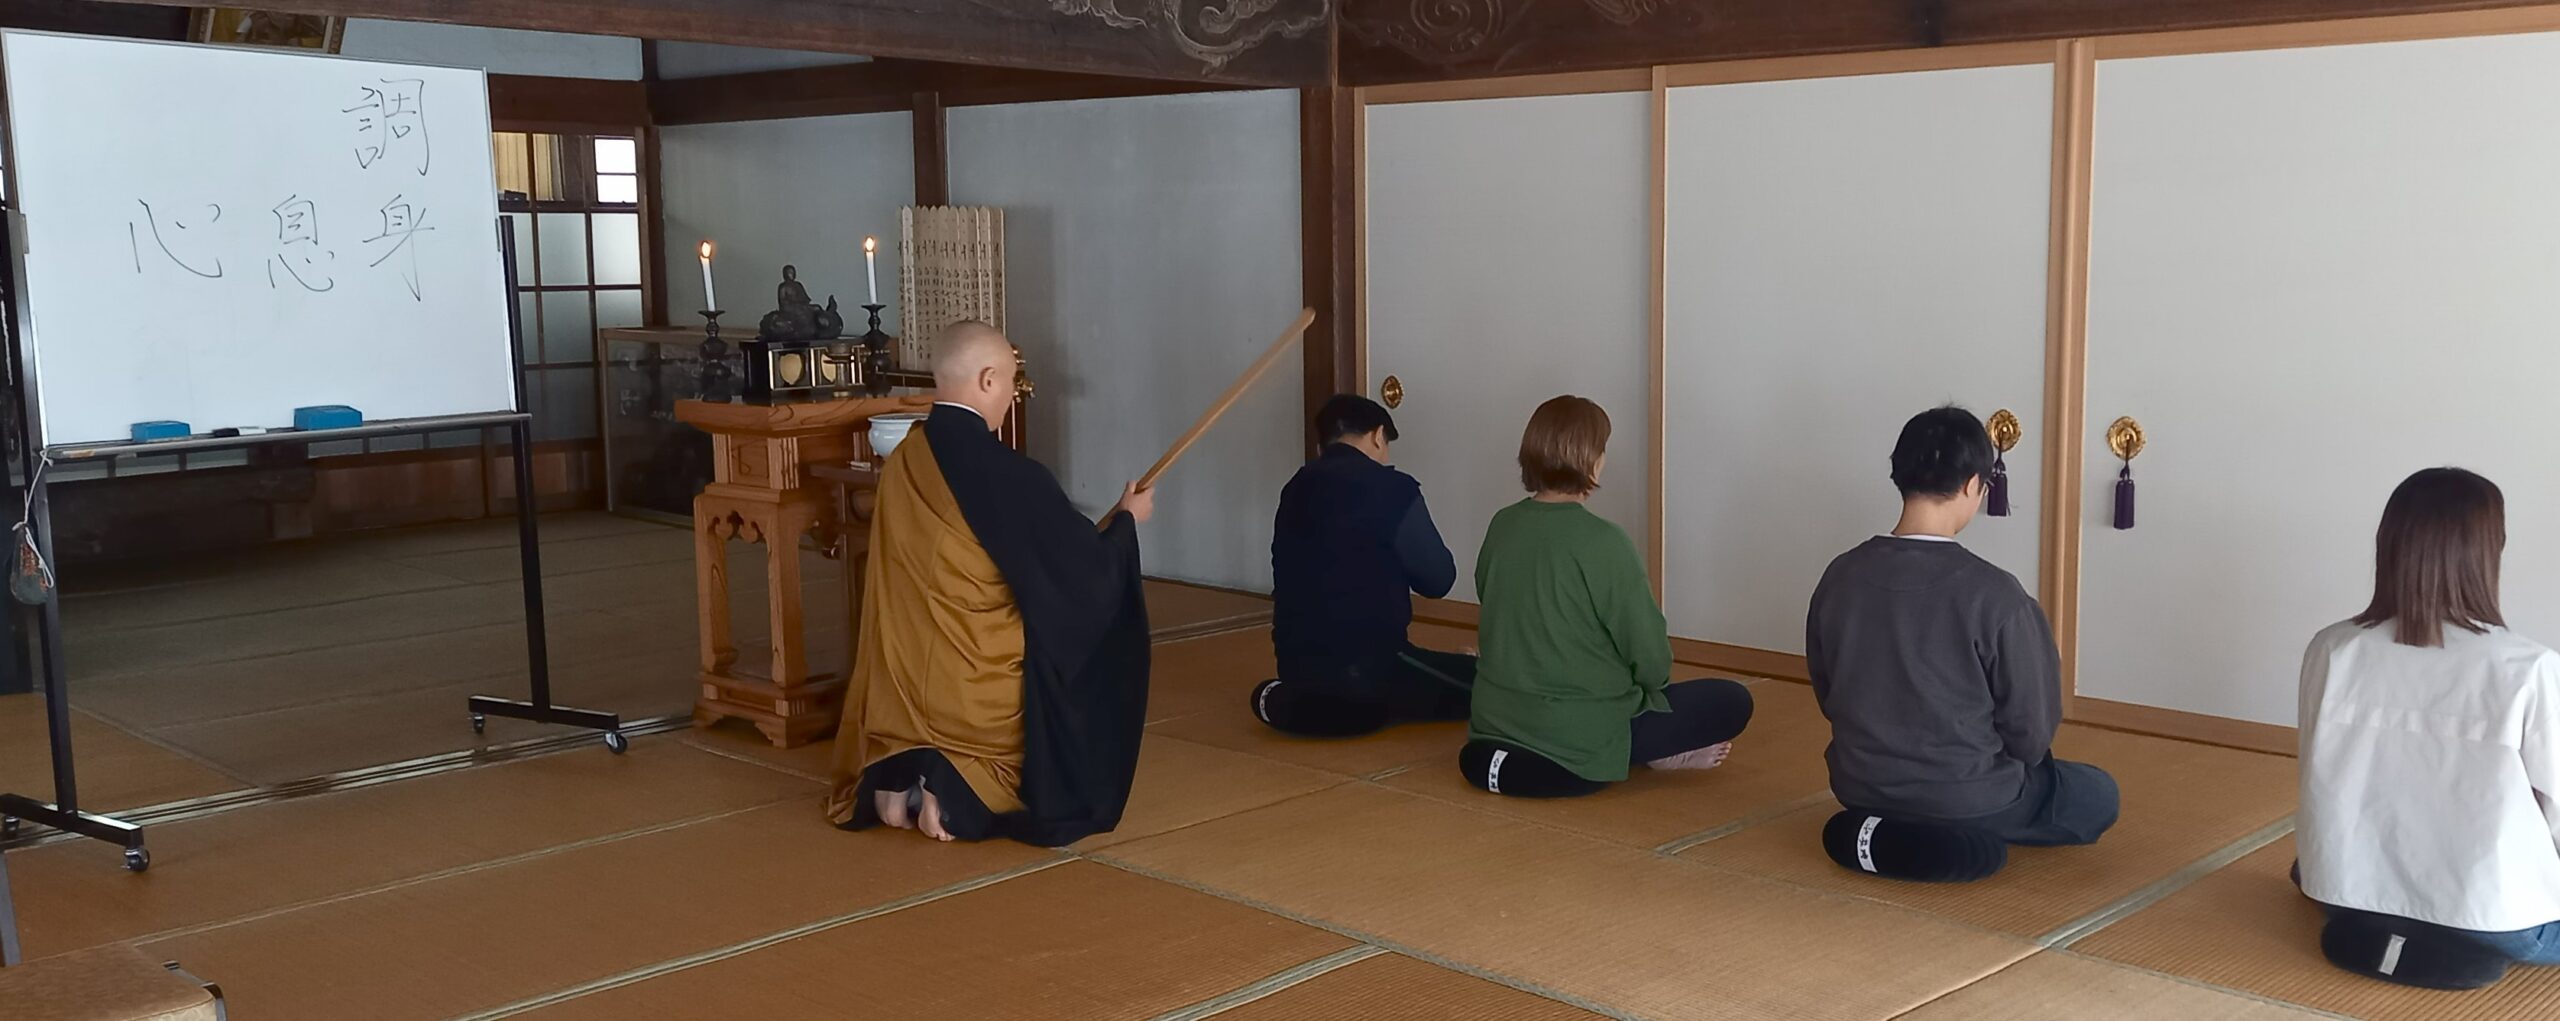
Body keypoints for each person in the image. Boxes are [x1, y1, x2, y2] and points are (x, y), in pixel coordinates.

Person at [824, 321, 1156, 846]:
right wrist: (1127, 527)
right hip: (972, 695)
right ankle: (954, 795)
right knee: (1047, 721)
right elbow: (1079, 579)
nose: (1010, 397)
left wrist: (1110, 523)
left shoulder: (908, 456)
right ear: (985, 380)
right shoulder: (1007, 472)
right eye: (1010, 383)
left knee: (923, 670)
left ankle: (898, 775)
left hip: (900, 688)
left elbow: (1039, 549)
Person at [1805, 405, 2117, 846]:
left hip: (1860, 788)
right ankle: (1958, 835)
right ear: (1974, 484)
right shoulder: (1995, 594)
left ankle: (1894, 832)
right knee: (2097, 792)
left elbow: (1828, 691)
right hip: (1971, 798)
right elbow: (2030, 734)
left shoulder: (1840, 575)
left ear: (1900, 476)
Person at [2297, 468, 2560, 964]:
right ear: (2488, 549)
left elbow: (2317, 773)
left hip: (2343, 893)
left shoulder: (2331, 648)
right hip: (2493, 917)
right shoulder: (2529, 668)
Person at [1459, 396, 1753, 798]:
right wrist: (1651, 692)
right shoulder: (1604, 541)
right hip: (1582, 738)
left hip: (1495, 725)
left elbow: (1491, 599)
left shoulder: (1503, 524)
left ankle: (1626, 747)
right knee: (1732, 700)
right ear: (1590, 459)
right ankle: (1653, 752)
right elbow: (1649, 656)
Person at [1256, 394, 1474, 737]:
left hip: (1296, 665)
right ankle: (1355, 706)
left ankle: (1292, 702)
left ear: (1321, 444)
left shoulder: (1295, 487)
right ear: (1377, 435)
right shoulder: (1392, 488)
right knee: (1489, 686)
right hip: (1372, 672)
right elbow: (1438, 580)